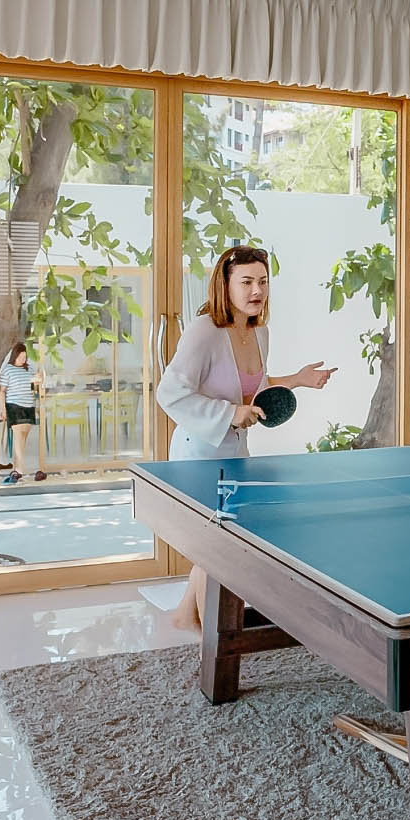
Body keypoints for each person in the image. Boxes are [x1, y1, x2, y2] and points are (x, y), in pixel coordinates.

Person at [156, 244, 336, 632]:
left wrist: (297, 379)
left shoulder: (259, 332)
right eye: (247, 282)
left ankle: (185, 616)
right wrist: (230, 413)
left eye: (263, 281)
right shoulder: (204, 332)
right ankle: (215, 640)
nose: (257, 290)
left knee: (220, 541)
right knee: (219, 545)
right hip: (199, 453)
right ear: (225, 285)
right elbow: (169, 393)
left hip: (235, 450)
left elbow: (252, 384)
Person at [0, 342, 43, 485]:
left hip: (29, 406)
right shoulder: (7, 370)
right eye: (21, 356)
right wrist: (2, 409)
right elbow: (2, 391)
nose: (23, 359)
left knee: (23, 439)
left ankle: (16, 469)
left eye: (25, 357)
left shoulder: (29, 369)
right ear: (14, 356)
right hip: (14, 406)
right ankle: (20, 470)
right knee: (18, 437)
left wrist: (38, 379)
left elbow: (35, 386)